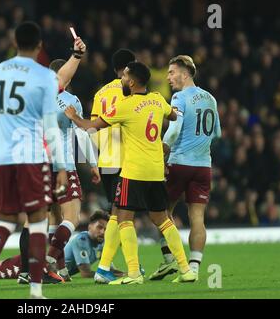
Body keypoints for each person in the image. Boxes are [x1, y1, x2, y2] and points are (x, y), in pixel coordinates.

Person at [0, 21, 86, 299]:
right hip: (32, 156)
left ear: (14, 42)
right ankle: (35, 290)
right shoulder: (42, 77)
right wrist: (61, 166)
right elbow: (51, 123)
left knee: (5, 222)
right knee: (38, 222)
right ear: (40, 46)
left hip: (2, 157)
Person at [65, 61, 197, 284]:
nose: (122, 80)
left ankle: (134, 273)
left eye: (125, 77)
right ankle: (186, 270)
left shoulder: (125, 105)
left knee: (123, 219)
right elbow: (173, 116)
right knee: (162, 219)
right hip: (156, 170)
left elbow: (91, 126)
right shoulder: (156, 99)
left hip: (134, 171)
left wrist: (74, 117)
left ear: (132, 82)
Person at [149, 55, 221, 281]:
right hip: (203, 166)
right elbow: (216, 133)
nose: (168, 77)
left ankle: (170, 260)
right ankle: (195, 267)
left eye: (171, 72)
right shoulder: (210, 98)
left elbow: (173, 130)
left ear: (185, 73)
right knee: (197, 217)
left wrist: (162, 151)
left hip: (179, 163)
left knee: (160, 211)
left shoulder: (179, 98)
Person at [44, 59, 100, 282]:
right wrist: (94, 164)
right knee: (72, 218)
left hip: (40, 166)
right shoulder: (70, 101)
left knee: (53, 218)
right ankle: (47, 262)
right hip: (63, 166)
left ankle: (60, 270)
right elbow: (82, 133)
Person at [90, 49, 136, 284]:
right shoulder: (131, 89)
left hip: (106, 159)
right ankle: (108, 267)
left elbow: (92, 129)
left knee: (117, 213)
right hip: (128, 159)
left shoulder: (100, 93)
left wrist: (93, 161)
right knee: (123, 215)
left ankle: (118, 266)